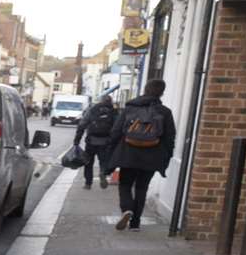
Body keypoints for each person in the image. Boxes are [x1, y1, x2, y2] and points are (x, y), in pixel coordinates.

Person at [106, 78, 176, 231]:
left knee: (125, 184)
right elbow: (169, 138)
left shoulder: (130, 108)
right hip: (152, 155)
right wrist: (166, 157)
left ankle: (127, 209)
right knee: (141, 188)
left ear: (145, 89)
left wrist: (111, 152)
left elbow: (116, 132)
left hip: (128, 153)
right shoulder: (165, 112)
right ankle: (135, 223)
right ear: (162, 93)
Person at [72, 91, 118, 189]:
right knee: (104, 161)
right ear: (110, 101)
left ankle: (88, 183)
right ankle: (103, 173)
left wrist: (77, 140)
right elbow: (117, 128)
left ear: (100, 101)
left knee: (88, 162)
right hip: (106, 142)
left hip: (91, 141)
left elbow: (82, 125)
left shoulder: (93, 109)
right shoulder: (114, 111)